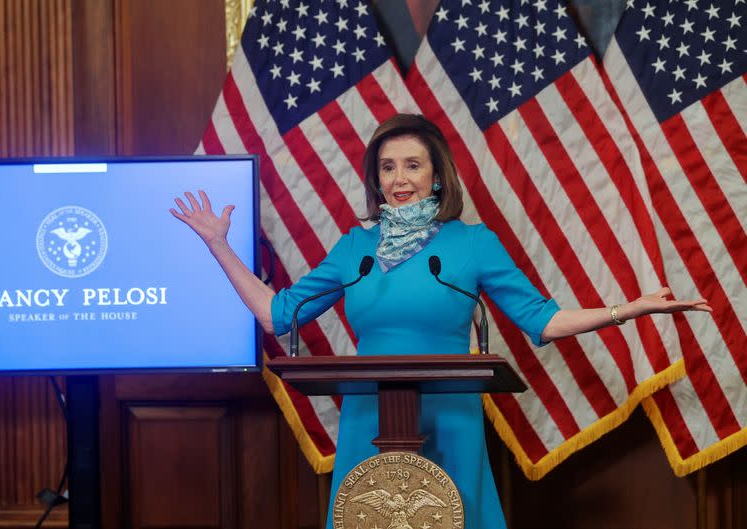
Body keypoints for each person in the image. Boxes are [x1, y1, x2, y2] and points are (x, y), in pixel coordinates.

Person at [170, 114, 712, 529]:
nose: (399, 178)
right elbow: (277, 314)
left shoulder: (471, 244)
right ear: (375, 179)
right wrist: (219, 246)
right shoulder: (356, 247)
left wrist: (629, 310)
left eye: (412, 165)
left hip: (449, 415)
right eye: (387, 167)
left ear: (436, 175)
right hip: (370, 418)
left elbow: (542, 320)